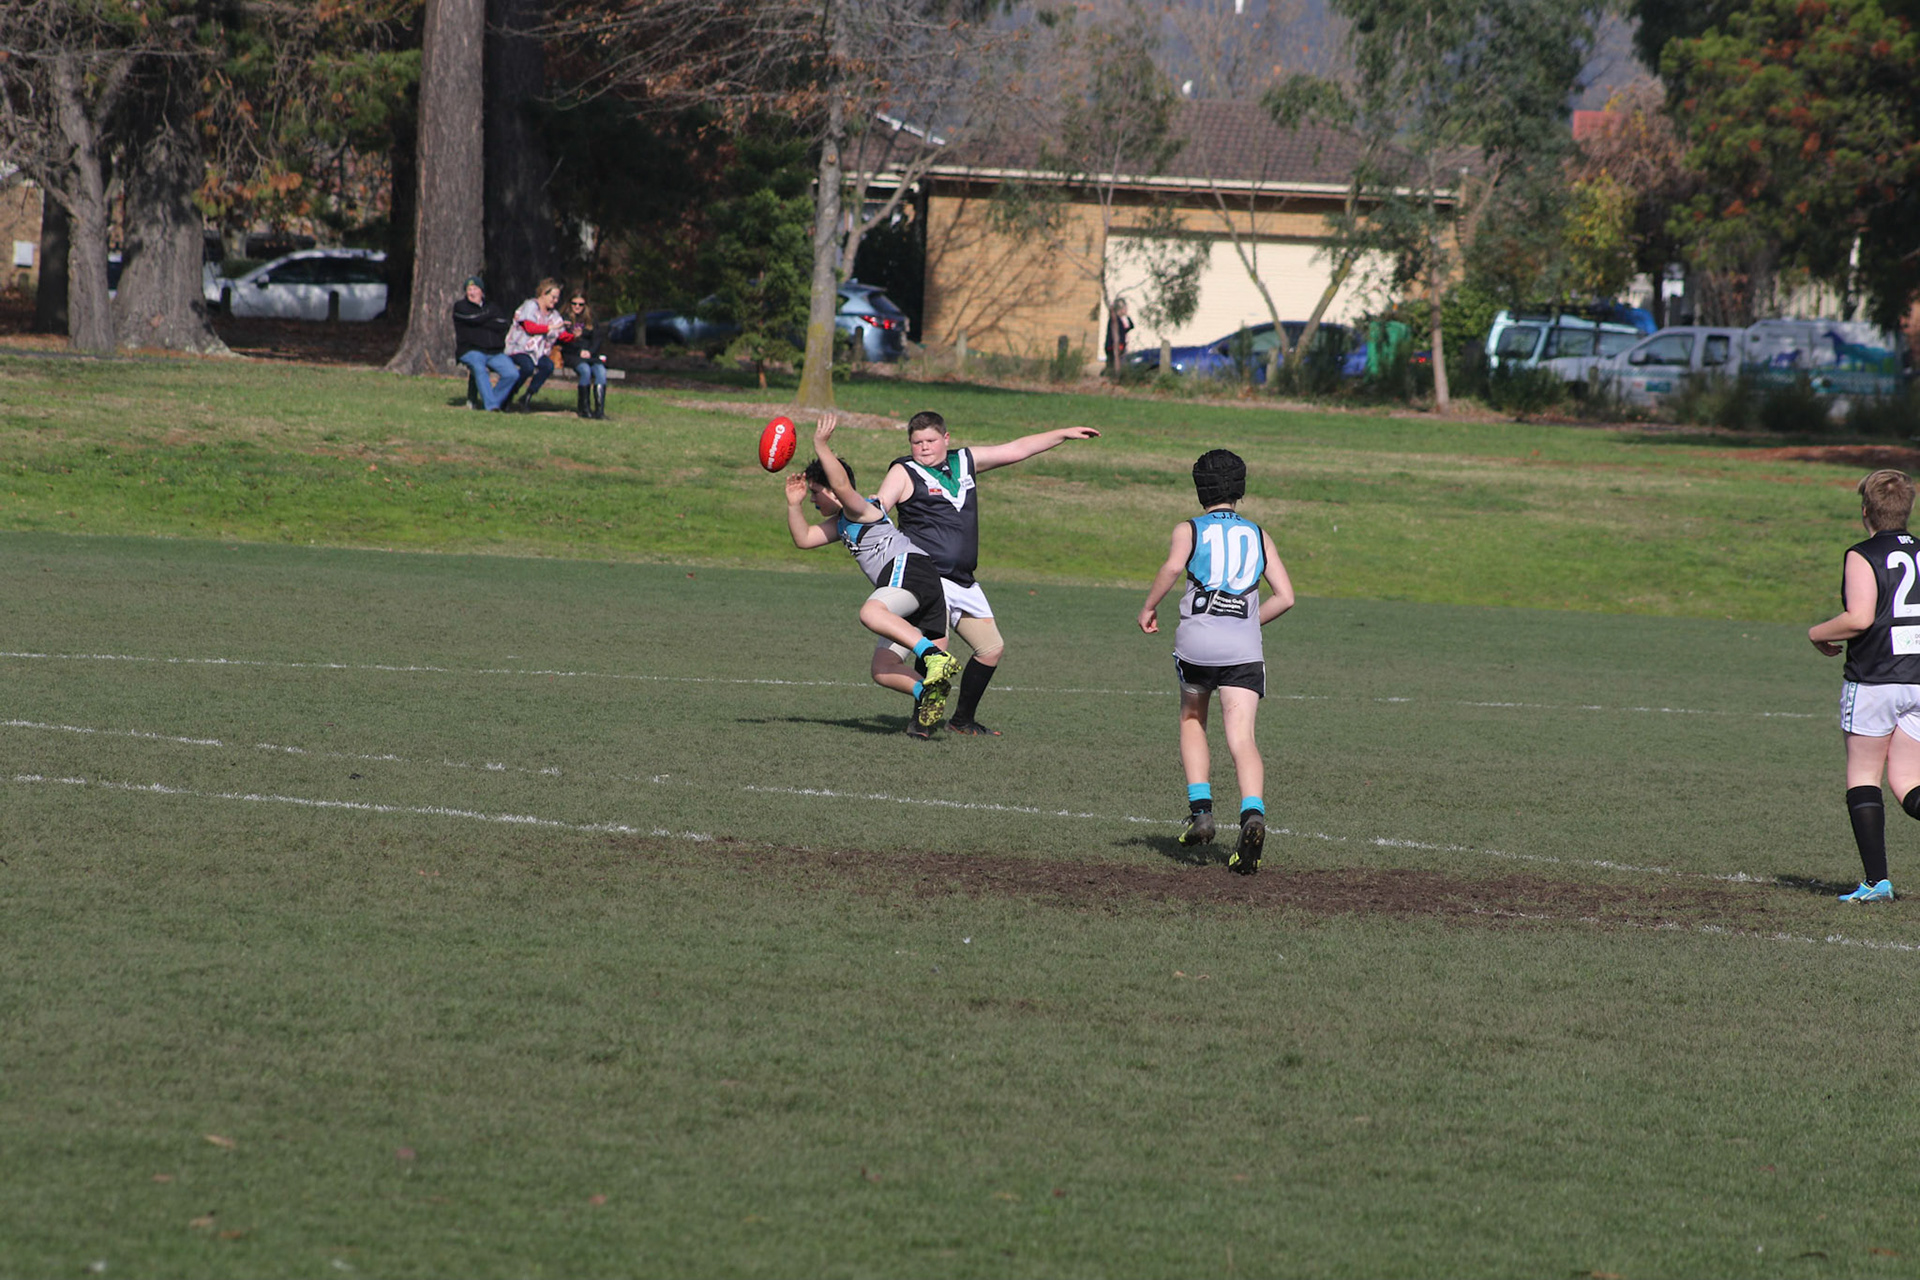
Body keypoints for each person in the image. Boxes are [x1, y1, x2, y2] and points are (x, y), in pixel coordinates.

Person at [873, 411, 1101, 736]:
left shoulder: (965, 461)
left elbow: (1017, 449)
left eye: (930, 440)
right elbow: (880, 505)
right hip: (927, 577)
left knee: (991, 649)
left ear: (946, 438)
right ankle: (923, 721)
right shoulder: (904, 471)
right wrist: (868, 505)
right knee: (934, 645)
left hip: (963, 579)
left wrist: (1063, 433)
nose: (924, 447)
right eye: (917, 441)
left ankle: (962, 720)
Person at [1137, 449, 1295, 874]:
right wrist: (1246, 623)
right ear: (1239, 488)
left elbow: (1173, 568)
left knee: (1192, 719)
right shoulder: (1259, 534)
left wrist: (1148, 607)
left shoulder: (1188, 529)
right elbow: (1286, 597)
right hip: (1243, 650)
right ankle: (1253, 816)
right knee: (1242, 737)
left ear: (1199, 487)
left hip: (1198, 647)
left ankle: (1201, 813)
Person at [788, 413, 963, 739]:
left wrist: (820, 445)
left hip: (912, 572)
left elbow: (842, 485)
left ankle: (934, 657)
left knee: (870, 612)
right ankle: (927, 692)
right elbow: (804, 539)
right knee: (882, 669)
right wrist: (793, 505)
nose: (812, 499)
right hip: (912, 591)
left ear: (832, 490)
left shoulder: (861, 509)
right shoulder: (841, 523)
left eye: (814, 492)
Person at [1809, 468, 1920, 902]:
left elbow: (1858, 618)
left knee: (1863, 776)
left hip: (1875, 679)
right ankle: (1876, 883)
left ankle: (1877, 882)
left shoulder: (1862, 554)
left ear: (1865, 512)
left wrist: (1816, 633)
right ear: (1907, 509)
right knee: (1907, 780)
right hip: (1918, 680)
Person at [451, 276, 520, 411]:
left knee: (512, 374)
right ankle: (491, 406)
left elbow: (503, 324)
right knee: (479, 368)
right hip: (471, 350)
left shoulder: (492, 306)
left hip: (494, 351)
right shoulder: (461, 307)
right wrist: (489, 317)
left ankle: (493, 401)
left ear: (481, 291)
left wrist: (482, 320)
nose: (472, 293)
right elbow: (472, 319)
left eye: (475, 289)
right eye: (469, 290)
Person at [504, 278, 564, 411]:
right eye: (553, 297)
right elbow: (530, 327)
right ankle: (507, 396)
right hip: (519, 349)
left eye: (557, 298)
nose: (556, 301)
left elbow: (561, 334)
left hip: (537, 353)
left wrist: (574, 334)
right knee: (527, 367)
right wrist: (550, 327)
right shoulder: (530, 306)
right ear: (543, 294)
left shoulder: (553, 314)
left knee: (548, 366)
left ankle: (527, 397)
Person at [559, 288, 610, 419]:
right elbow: (562, 340)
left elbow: (597, 338)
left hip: (590, 355)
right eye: (574, 304)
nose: (577, 307)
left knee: (601, 372)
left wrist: (590, 352)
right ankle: (584, 408)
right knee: (585, 371)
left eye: (580, 304)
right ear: (570, 303)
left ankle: (599, 411)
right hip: (572, 354)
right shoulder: (564, 319)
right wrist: (579, 350)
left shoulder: (591, 319)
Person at [1105, 297, 1134, 374]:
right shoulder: (1115, 320)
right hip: (1113, 346)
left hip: (1119, 345)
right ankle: (1110, 375)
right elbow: (1116, 334)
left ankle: (1113, 374)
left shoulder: (1119, 320)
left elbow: (1130, 327)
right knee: (1112, 363)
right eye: (1124, 309)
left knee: (1118, 362)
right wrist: (1118, 345)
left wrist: (1127, 316)